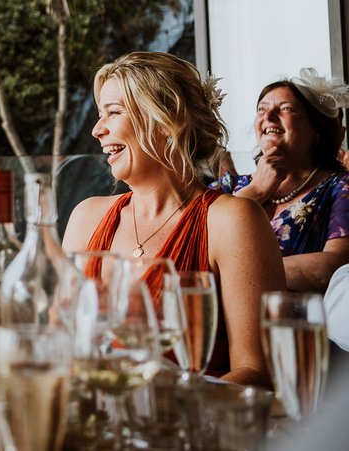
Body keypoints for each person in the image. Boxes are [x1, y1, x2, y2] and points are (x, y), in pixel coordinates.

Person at [63, 51, 285, 387]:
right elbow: (58, 342)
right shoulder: (86, 218)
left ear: (166, 121)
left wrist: (169, 404)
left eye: (113, 112)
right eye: (99, 114)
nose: (96, 130)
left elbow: (259, 372)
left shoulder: (231, 221)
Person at [212, 69, 349, 293]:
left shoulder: (340, 187)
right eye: (262, 109)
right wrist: (255, 191)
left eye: (285, 108)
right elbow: (195, 241)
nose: (268, 116)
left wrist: (235, 274)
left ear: (316, 129)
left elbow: (336, 267)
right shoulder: (227, 187)